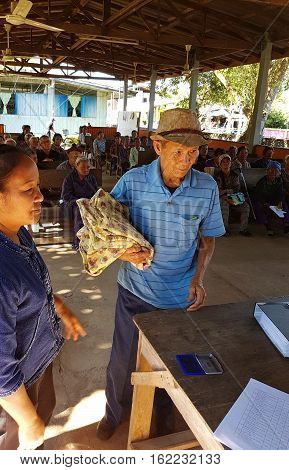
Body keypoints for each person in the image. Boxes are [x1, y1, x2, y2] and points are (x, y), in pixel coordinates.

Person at [96, 108, 225, 441]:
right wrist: (122, 251)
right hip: (134, 292)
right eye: (178, 151)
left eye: (193, 152)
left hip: (178, 294)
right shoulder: (134, 181)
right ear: (158, 146)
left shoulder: (206, 187)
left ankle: (165, 415)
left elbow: (207, 239)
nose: (185, 159)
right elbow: (102, 224)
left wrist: (198, 279)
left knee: (173, 362)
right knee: (123, 360)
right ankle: (114, 413)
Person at [0, 142, 86, 450]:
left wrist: (59, 308)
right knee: (12, 448)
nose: (40, 196)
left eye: (37, 186)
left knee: (37, 428)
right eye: (28, 189)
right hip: (4, 390)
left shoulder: (14, 228)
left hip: (30, 361)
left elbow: (31, 283)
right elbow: (0, 375)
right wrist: (28, 421)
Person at [61, 156, 98, 251]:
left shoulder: (91, 178)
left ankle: (94, 240)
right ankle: (77, 242)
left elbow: (96, 192)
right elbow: (66, 196)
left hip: (88, 203)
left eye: (88, 167)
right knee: (79, 212)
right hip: (73, 204)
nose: (86, 170)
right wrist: (80, 202)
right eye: (83, 168)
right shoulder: (69, 178)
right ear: (76, 167)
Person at [215, 154, 251, 237]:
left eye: (228, 162)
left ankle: (243, 229)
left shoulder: (234, 175)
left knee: (245, 206)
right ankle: (224, 228)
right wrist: (227, 194)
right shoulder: (217, 176)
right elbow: (218, 192)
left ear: (230, 163)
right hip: (221, 198)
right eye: (223, 162)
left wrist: (227, 192)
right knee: (224, 204)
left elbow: (236, 189)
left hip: (232, 197)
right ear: (220, 164)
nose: (226, 164)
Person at [253, 160, 289, 236]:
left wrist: (280, 202)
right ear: (267, 171)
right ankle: (267, 226)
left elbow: (280, 194)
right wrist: (266, 204)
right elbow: (258, 196)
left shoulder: (279, 181)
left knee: (284, 205)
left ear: (278, 173)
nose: (273, 172)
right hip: (263, 201)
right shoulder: (262, 182)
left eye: (276, 171)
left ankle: (286, 224)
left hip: (273, 200)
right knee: (258, 206)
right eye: (271, 170)